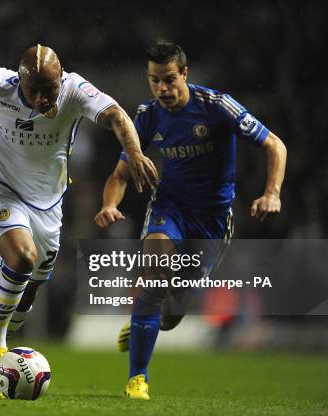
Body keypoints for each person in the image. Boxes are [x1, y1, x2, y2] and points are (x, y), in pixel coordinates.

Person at [0, 45, 158, 397]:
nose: (39, 98)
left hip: (49, 206)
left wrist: (136, 152)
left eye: (48, 90)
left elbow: (116, 115)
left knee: (28, 291)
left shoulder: (75, 90)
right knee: (21, 257)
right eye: (32, 89)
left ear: (60, 79)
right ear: (19, 79)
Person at [94, 42, 287, 400]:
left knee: (171, 314)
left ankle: (143, 323)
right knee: (153, 277)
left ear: (185, 74)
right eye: (154, 81)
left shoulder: (217, 107)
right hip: (170, 208)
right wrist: (109, 204)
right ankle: (137, 379)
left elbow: (275, 145)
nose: (162, 89)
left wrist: (271, 192)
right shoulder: (149, 115)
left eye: (169, 79)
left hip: (212, 221)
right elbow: (120, 174)